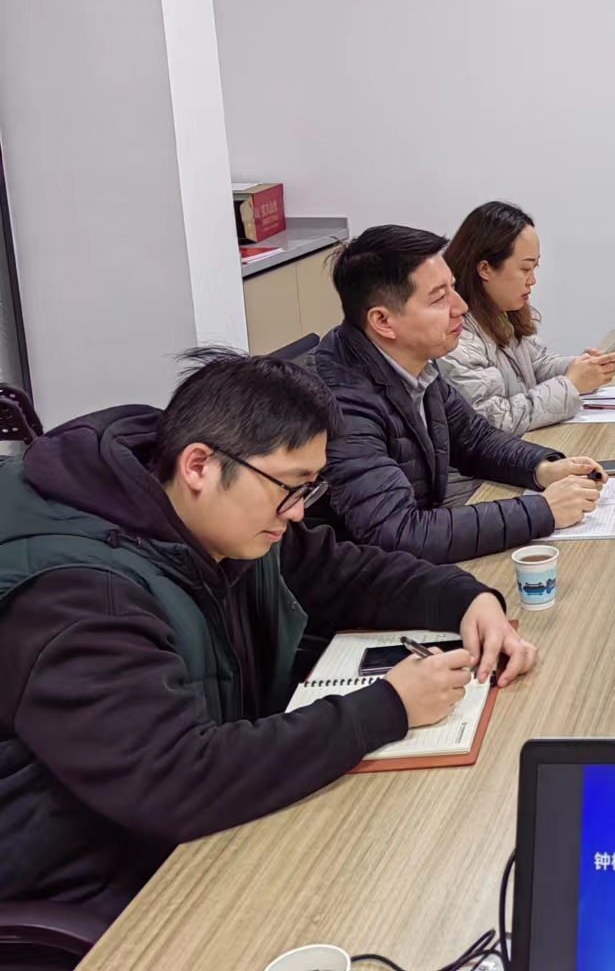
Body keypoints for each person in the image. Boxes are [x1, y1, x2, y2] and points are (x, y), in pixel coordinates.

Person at [0, 350, 538, 926]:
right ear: (199, 466)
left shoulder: (212, 513)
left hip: (202, 818)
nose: (299, 513)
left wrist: (468, 599)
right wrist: (388, 707)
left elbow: (340, 571)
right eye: (290, 486)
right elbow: (176, 780)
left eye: (309, 488)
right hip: (100, 875)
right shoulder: (82, 596)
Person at [313, 225, 601, 562]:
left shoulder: (414, 362)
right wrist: (542, 510)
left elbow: (474, 439)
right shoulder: (340, 403)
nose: (461, 306)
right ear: (383, 321)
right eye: (439, 298)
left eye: (453, 287)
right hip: (362, 580)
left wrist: (542, 468)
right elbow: (397, 533)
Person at [440, 201, 615, 435]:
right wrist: (571, 385)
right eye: (525, 269)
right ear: (485, 269)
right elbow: (491, 420)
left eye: (535, 267)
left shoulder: (501, 313)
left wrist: (581, 368)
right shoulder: (455, 337)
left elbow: (536, 365)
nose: (533, 280)